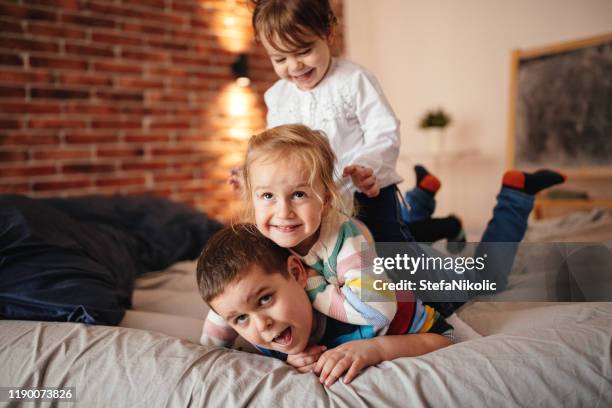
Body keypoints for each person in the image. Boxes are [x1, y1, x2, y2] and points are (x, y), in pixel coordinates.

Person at [200, 124, 450, 347]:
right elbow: (230, 295)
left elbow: (378, 309)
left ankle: (440, 220)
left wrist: (310, 282)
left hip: (405, 289)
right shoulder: (263, 236)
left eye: (299, 194)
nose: (283, 212)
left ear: (326, 200)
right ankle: (427, 206)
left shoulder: (344, 239)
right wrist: (208, 351)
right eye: (267, 196)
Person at [247, 0, 463, 244]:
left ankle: (449, 235)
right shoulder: (277, 96)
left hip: (365, 191)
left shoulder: (352, 81)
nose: (294, 65)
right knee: (332, 248)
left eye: (304, 51)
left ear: (327, 33)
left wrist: (366, 166)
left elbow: (384, 130)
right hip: (313, 197)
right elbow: (277, 149)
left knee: (389, 249)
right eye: (280, 59)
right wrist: (254, 166)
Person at [196, 224, 454, 386]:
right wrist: (288, 362)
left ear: (297, 274)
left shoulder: (366, 308)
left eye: (265, 299)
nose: (262, 324)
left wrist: (378, 348)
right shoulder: (263, 342)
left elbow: (446, 339)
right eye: (241, 318)